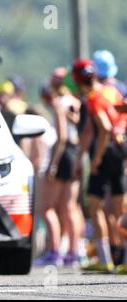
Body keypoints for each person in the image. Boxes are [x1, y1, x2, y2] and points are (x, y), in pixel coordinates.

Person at [72, 60, 127, 273]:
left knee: (95, 207)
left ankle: (106, 260)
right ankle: (123, 259)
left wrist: (96, 159)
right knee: (118, 209)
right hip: (121, 150)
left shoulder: (92, 98)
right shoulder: (111, 91)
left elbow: (103, 128)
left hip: (105, 154)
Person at [34, 68, 83, 266]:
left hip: (62, 154)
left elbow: (61, 136)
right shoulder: (75, 102)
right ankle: (73, 252)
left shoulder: (58, 102)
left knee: (48, 208)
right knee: (70, 207)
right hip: (75, 152)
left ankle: (54, 251)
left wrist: (52, 165)